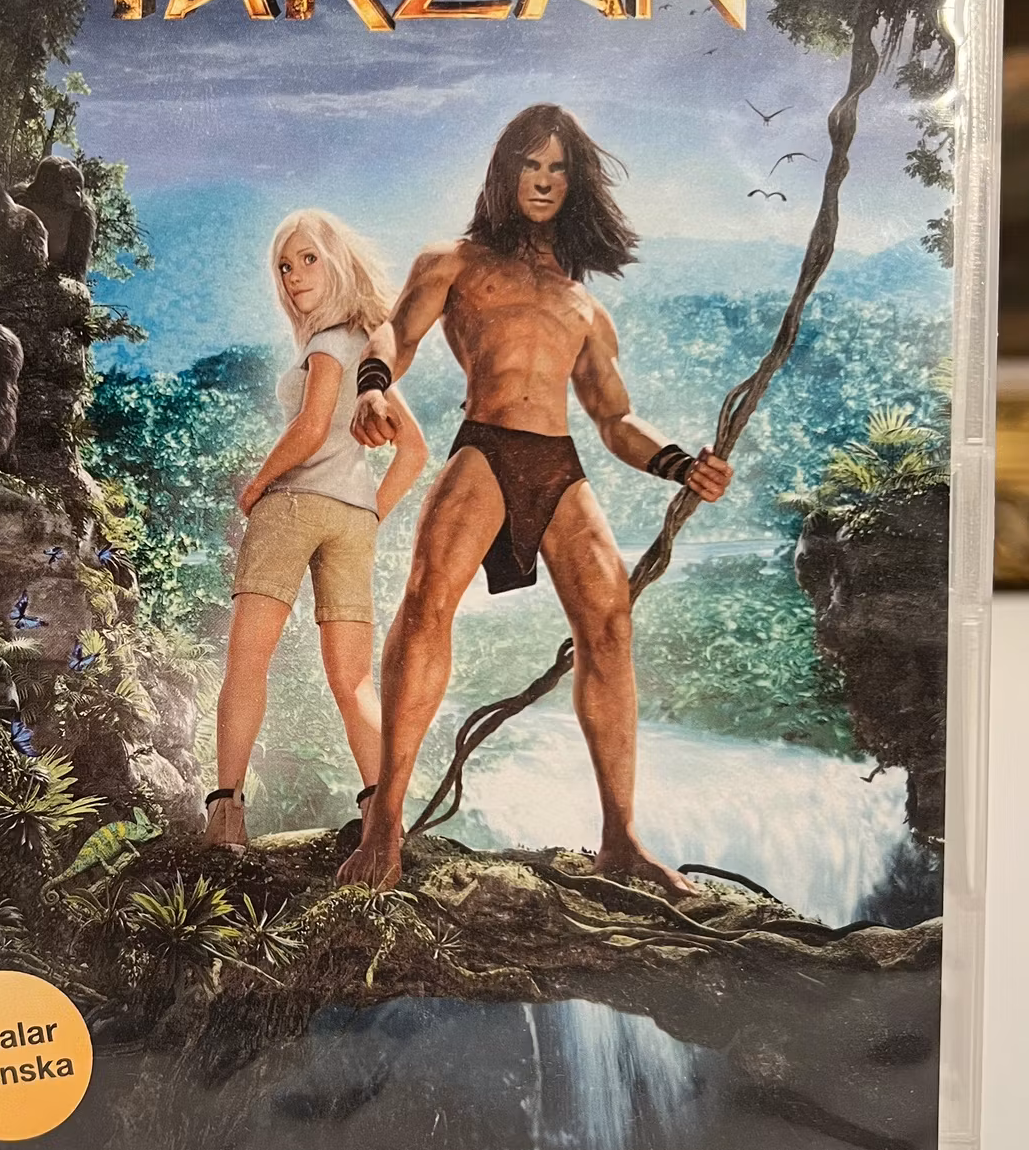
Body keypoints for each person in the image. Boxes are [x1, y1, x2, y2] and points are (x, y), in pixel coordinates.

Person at [337, 104, 733, 895]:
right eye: (531, 164)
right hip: (485, 447)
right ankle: (384, 827)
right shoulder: (454, 262)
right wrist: (374, 385)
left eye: (558, 168)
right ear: (506, 171)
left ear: (575, 183)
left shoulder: (583, 306)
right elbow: (397, 335)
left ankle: (621, 841)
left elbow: (614, 419)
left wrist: (681, 465)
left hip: (559, 462)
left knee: (609, 623)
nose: (545, 181)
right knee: (426, 603)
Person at [205, 209, 428, 849]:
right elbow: (414, 453)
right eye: (284, 266)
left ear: (336, 263)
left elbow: (308, 428)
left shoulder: (328, 341)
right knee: (353, 681)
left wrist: (255, 488)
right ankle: (385, 822)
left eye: (308, 260)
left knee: (247, 663)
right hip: (351, 521)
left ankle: (226, 818)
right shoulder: (369, 350)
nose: (295, 276)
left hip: (292, 508)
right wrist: (369, 512)